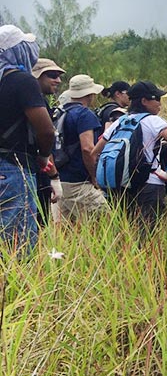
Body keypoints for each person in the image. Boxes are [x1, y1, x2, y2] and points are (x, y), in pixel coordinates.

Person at [92, 81, 167, 234]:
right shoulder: (154, 121)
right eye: (157, 99)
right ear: (144, 101)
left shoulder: (120, 121)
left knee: (124, 232)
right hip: (149, 183)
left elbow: (95, 151)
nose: (160, 103)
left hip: (120, 185)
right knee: (146, 234)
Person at [0, 25, 55, 253]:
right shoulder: (22, 80)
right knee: (18, 244)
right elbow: (46, 130)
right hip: (16, 166)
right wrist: (43, 157)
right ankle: (13, 287)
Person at [56, 74, 109, 219]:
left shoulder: (60, 112)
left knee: (67, 232)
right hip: (78, 182)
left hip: (61, 180)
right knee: (105, 221)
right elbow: (87, 148)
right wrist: (94, 176)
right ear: (90, 94)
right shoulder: (84, 114)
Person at [32, 58, 65, 225]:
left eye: (59, 76)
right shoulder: (36, 102)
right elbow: (44, 137)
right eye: (52, 75)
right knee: (37, 226)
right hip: (36, 173)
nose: (58, 80)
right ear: (36, 77)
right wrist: (54, 176)